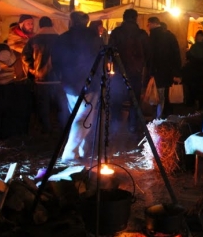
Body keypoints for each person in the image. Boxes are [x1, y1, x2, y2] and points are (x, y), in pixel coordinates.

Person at [51, 11, 103, 161]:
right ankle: (70, 154)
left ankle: (81, 149)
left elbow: (55, 62)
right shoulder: (95, 39)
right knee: (83, 118)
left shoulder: (62, 39)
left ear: (71, 21)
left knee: (79, 116)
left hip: (70, 84)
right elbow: (100, 61)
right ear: (86, 22)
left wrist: (62, 79)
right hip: (90, 84)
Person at [22, 16, 67, 134]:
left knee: (43, 107)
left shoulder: (34, 40)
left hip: (41, 79)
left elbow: (25, 57)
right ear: (51, 24)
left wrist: (33, 70)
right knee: (60, 106)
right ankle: (62, 130)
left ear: (40, 26)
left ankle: (47, 130)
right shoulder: (60, 39)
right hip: (58, 79)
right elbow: (67, 57)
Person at [108, 9, 150, 133]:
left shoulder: (116, 32)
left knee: (116, 99)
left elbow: (110, 51)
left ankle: (115, 126)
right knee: (134, 100)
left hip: (119, 71)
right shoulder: (142, 34)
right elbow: (148, 53)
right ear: (135, 18)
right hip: (136, 72)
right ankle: (132, 125)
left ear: (124, 18)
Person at [146, 16, 182, 119]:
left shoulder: (153, 37)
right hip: (167, 72)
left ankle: (158, 119)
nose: (148, 27)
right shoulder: (169, 36)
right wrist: (177, 72)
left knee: (157, 96)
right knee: (163, 95)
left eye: (148, 24)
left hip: (157, 72)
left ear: (152, 24)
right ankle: (163, 117)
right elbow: (176, 55)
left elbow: (150, 56)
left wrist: (150, 71)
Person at [184, 30, 203, 109]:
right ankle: (193, 104)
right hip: (193, 71)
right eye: (197, 36)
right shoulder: (194, 46)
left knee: (201, 88)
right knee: (193, 88)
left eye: (200, 36)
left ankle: (201, 105)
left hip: (202, 70)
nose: (198, 38)